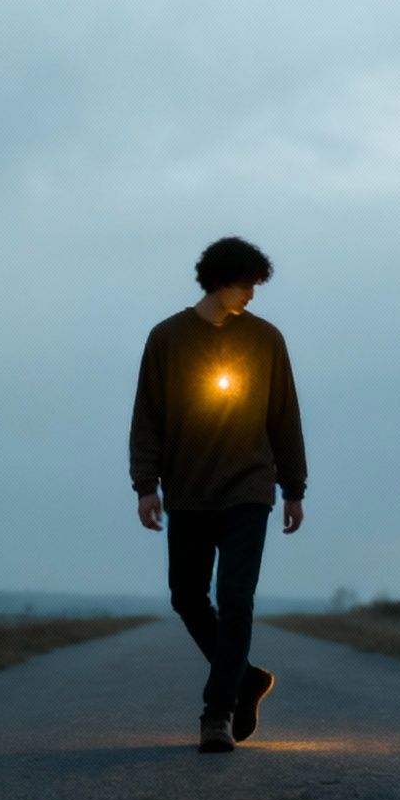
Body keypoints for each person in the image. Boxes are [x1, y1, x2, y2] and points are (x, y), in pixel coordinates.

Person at [129, 236, 308, 753]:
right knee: (186, 596)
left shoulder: (266, 339)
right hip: (186, 490)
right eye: (246, 284)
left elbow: (285, 418)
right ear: (219, 281)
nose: (252, 295)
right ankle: (247, 680)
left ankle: (217, 713)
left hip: (249, 487)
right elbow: (148, 419)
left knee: (235, 597)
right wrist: (146, 486)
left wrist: (293, 489)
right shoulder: (166, 338)